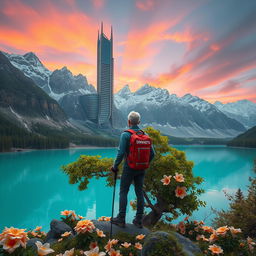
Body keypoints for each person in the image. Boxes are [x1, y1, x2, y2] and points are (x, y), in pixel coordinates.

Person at [111, 111, 155, 228]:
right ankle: (139, 220)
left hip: (129, 167)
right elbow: (153, 153)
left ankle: (121, 219)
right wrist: (145, 164)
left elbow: (120, 153)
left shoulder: (125, 135)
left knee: (123, 191)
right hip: (141, 168)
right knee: (139, 192)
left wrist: (115, 167)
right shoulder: (145, 135)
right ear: (139, 122)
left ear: (129, 121)